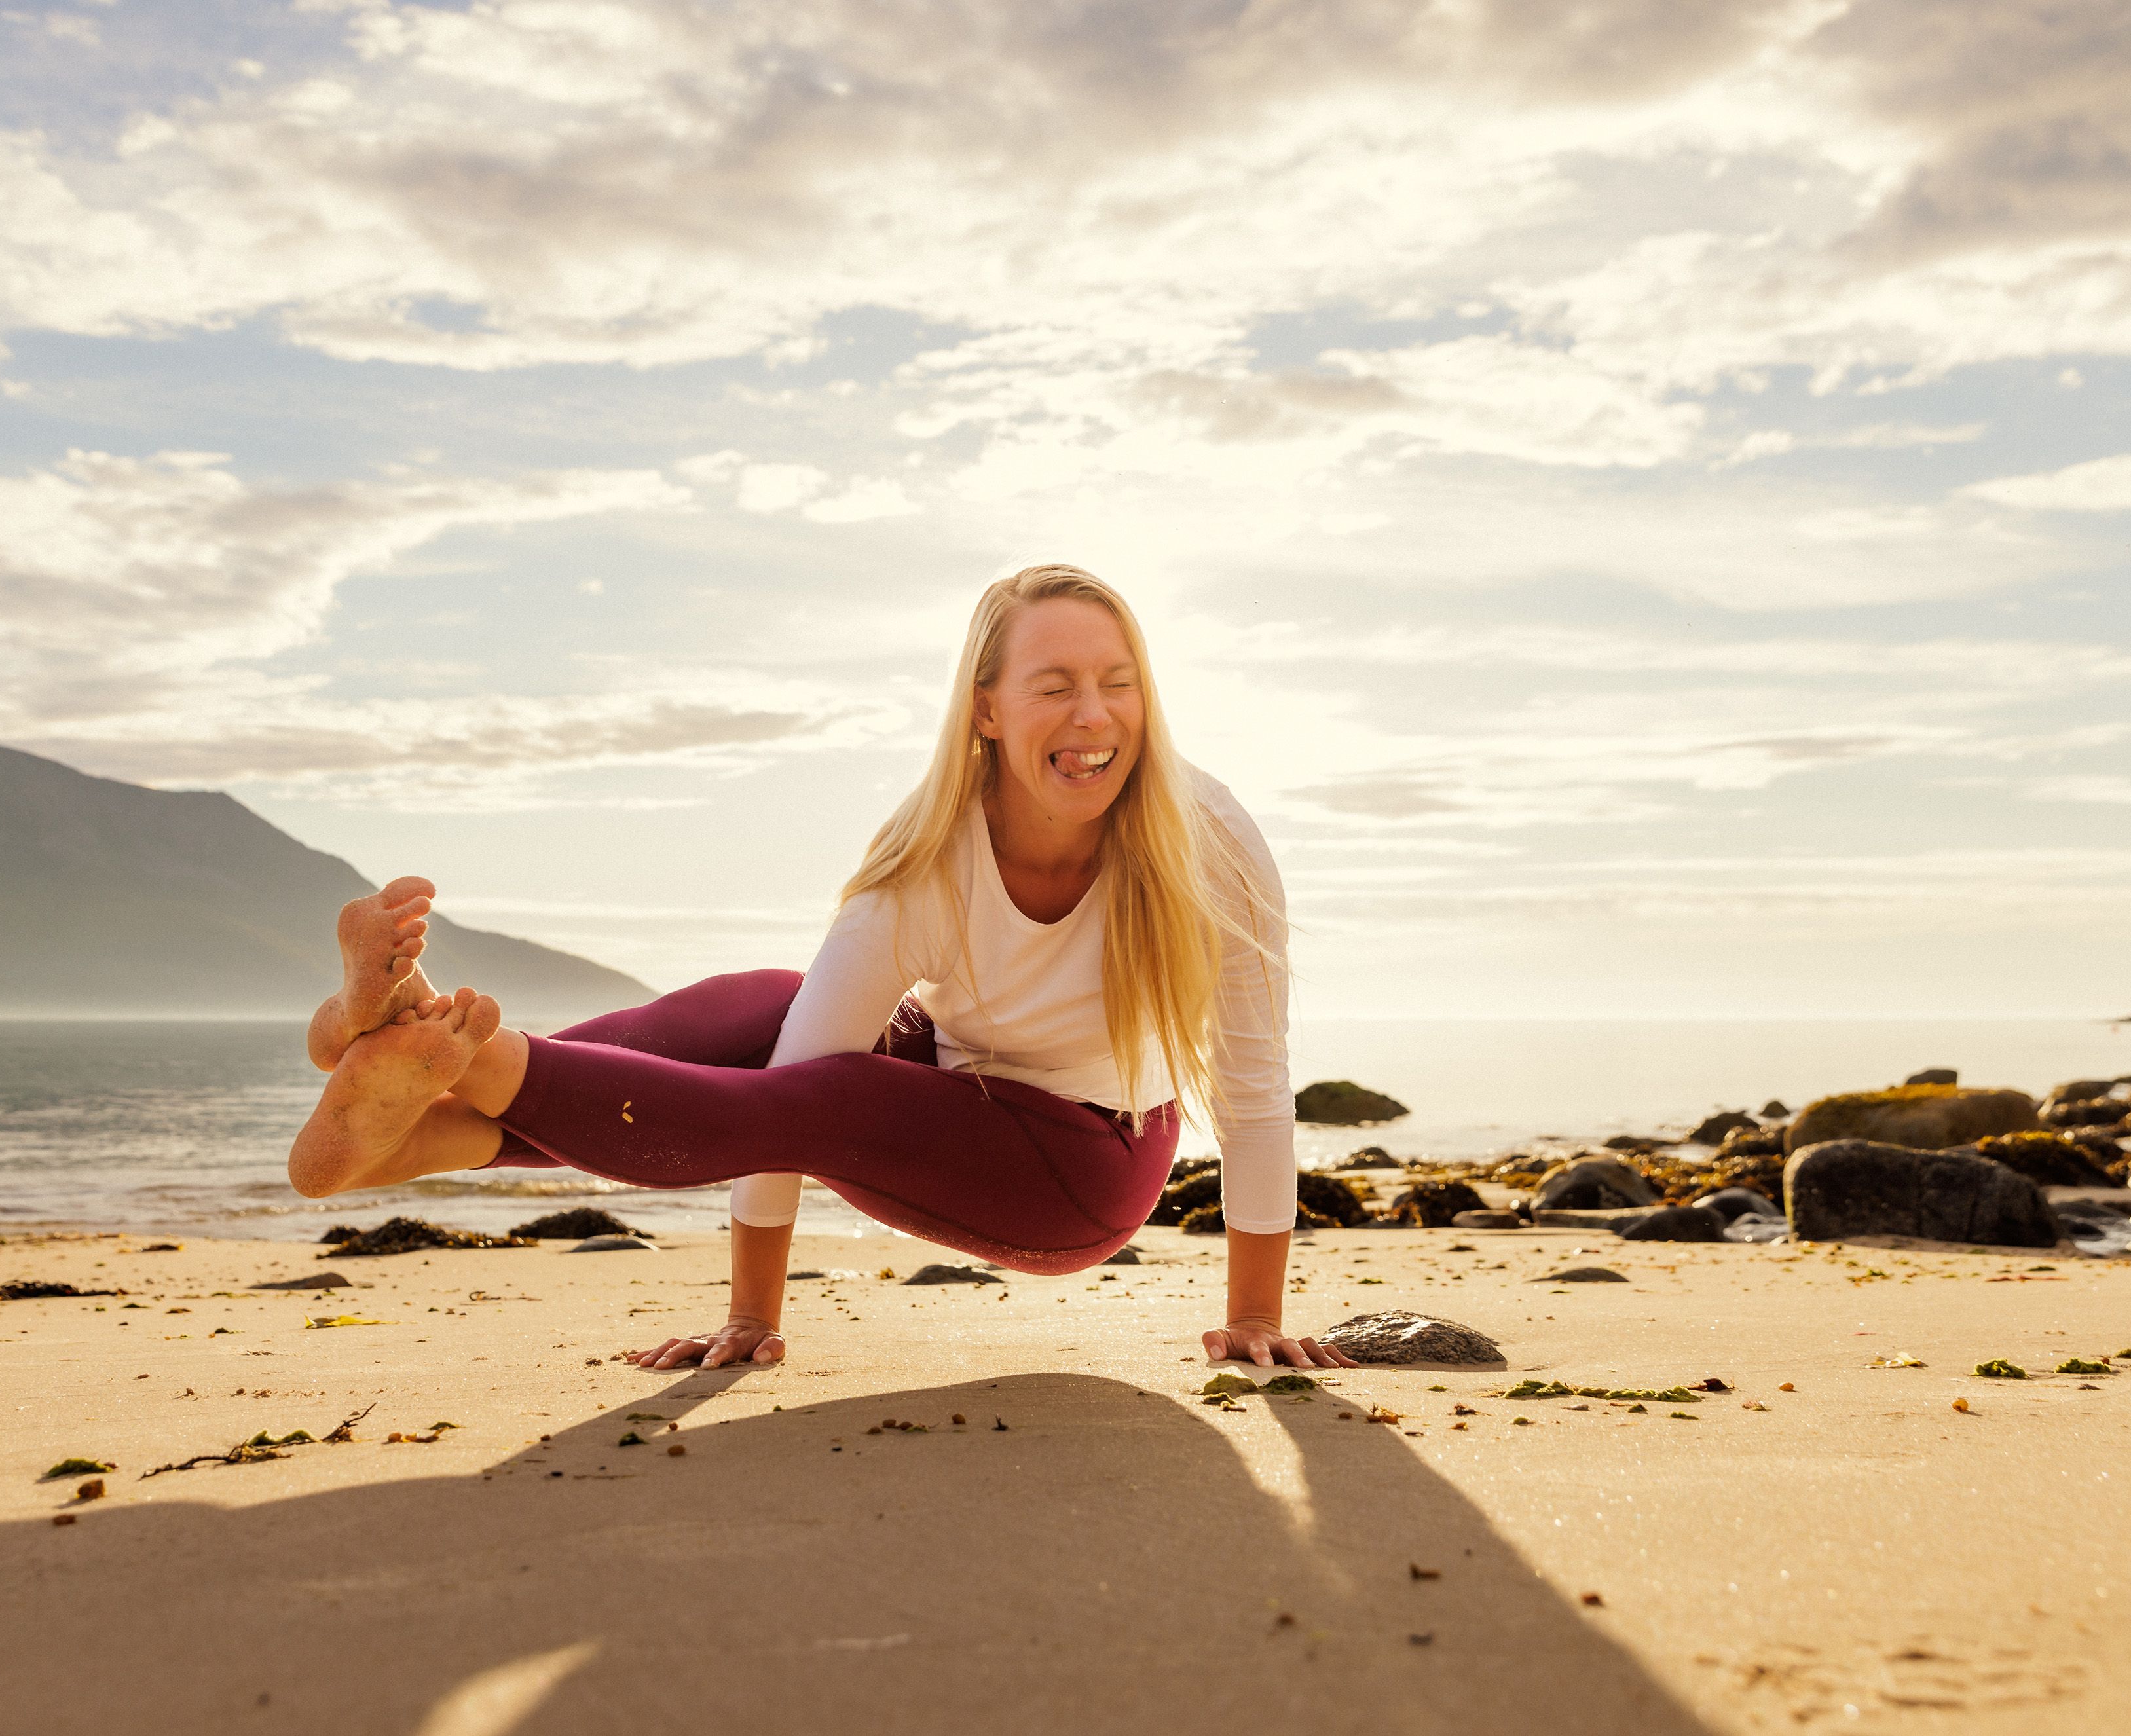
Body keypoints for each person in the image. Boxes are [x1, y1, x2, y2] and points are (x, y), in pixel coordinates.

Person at [287, 563, 1348, 1373]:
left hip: (1080, 1165)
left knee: (827, 1097)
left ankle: (458, 1062)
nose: (1093, 716)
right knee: (764, 1006)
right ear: (985, 709)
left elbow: (1252, 1089)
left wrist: (1255, 1320)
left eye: (1119, 684)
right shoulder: (929, 857)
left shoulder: (1206, 840)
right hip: (947, 1076)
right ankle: (417, 1103)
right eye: (1055, 686)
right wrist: (754, 1316)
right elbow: (795, 1063)